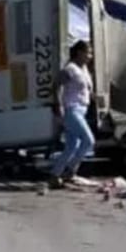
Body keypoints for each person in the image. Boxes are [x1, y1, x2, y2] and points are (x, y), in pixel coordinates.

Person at [50, 40, 95, 186]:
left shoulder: (84, 69)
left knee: (71, 146)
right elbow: (56, 85)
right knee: (88, 140)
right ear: (79, 52)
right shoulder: (70, 69)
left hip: (81, 110)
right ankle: (70, 170)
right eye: (88, 52)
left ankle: (55, 175)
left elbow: (84, 90)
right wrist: (58, 105)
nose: (90, 56)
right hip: (71, 110)